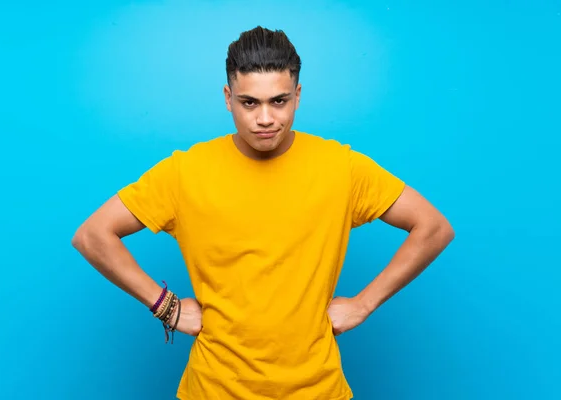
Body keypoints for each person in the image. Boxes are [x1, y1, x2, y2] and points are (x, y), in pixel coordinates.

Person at [72, 26, 454, 400]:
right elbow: (93, 235)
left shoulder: (341, 167)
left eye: (279, 101)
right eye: (249, 102)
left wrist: (364, 303)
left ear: (298, 95)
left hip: (317, 390)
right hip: (213, 389)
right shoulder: (184, 173)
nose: (266, 118)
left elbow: (433, 228)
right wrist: (165, 306)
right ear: (228, 97)